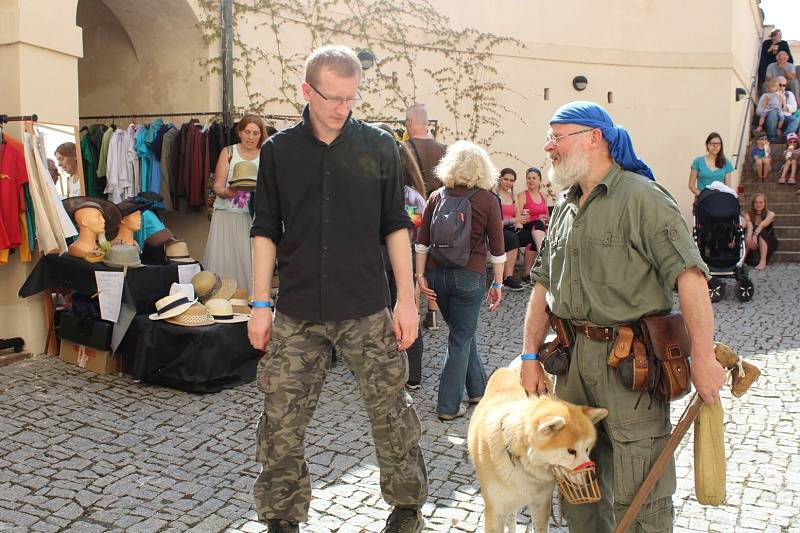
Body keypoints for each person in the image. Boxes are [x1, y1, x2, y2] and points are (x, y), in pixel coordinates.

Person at [519, 101, 726, 532]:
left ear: (594, 138)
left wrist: (703, 358)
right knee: (577, 490)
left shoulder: (643, 198)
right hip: (571, 365)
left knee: (641, 494)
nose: (548, 147)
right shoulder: (565, 207)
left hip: (631, 367)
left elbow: (690, 278)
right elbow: (542, 284)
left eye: (556, 138)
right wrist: (528, 356)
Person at [248, 45, 427, 533]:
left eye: (351, 98)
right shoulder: (278, 152)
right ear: (307, 92)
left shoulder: (379, 147)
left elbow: (396, 225)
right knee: (281, 423)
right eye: (333, 98)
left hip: (366, 306)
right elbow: (265, 229)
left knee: (392, 416)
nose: (342, 108)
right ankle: (282, 517)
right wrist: (260, 304)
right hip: (297, 310)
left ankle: (407, 508)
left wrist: (406, 300)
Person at [415, 140, 505, 421]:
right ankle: (448, 406)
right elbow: (498, 250)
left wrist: (420, 277)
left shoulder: (436, 196)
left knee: (462, 333)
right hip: (470, 275)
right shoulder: (488, 200)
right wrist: (498, 284)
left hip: (436, 274)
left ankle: (478, 390)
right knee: (460, 337)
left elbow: (421, 243)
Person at [376, 122, 427, 390]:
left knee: (395, 311)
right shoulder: (412, 195)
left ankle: (405, 372)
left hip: (388, 258)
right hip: (400, 257)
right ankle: (409, 374)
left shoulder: (405, 195)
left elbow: (414, 231)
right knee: (402, 311)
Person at [203, 114, 266, 293]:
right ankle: (220, 300)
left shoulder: (266, 154)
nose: (251, 137)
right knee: (225, 259)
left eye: (255, 133)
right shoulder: (228, 152)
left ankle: (247, 302)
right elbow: (217, 185)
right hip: (226, 215)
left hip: (251, 217)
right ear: (239, 132)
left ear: (261, 135)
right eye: (247, 132)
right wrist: (226, 192)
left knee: (247, 260)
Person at [404, 103, 446, 331]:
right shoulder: (442, 149)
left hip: (414, 214)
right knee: (431, 264)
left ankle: (415, 311)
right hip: (439, 214)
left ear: (410, 123)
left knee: (413, 264)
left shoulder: (404, 148)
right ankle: (432, 313)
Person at [492, 168, 527, 291]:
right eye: (506, 179)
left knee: (529, 236)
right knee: (512, 238)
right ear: (500, 178)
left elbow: (517, 216)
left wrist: (519, 222)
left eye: (511, 180)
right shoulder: (494, 195)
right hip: (496, 229)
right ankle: (507, 278)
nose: (508, 182)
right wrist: (514, 221)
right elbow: (496, 223)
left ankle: (527, 275)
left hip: (511, 228)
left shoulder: (512, 195)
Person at [516, 166, 549, 286]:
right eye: (528, 178)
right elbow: (518, 217)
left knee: (533, 240)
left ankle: (526, 276)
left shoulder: (543, 196)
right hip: (525, 226)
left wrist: (547, 226)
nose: (531, 180)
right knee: (537, 224)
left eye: (534, 178)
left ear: (540, 180)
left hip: (538, 231)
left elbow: (547, 216)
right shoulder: (522, 195)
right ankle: (544, 254)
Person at [688, 132, 733, 197]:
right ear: (707, 145)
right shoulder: (698, 161)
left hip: (719, 201)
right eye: (712, 143)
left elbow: (728, 187)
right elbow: (691, 185)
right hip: (702, 201)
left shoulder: (726, 163)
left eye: (718, 144)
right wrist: (702, 196)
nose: (715, 146)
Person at [744, 193, 778, 270]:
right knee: (748, 234)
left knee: (762, 233)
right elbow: (749, 225)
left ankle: (763, 262)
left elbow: (762, 225)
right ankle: (741, 260)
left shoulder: (770, 214)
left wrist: (755, 236)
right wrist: (749, 236)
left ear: (765, 203)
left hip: (768, 242)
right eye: (756, 202)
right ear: (753, 204)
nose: (758, 204)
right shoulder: (748, 214)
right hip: (753, 244)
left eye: (760, 202)